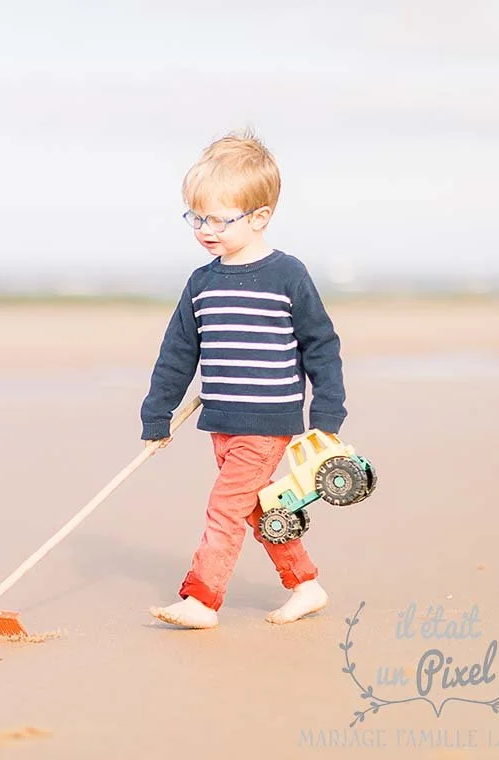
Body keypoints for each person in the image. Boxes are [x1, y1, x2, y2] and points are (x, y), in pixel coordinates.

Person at [140, 128, 346, 629]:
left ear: (259, 217)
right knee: (257, 507)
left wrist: (326, 413)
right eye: (196, 217)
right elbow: (178, 352)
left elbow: (321, 343)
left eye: (218, 219)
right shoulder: (202, 283)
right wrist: (158, 411)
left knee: (224, 507)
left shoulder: (286, 276)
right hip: (222, 420)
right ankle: (305, 583)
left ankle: (202, 600)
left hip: (268, 420)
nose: (205, 229)